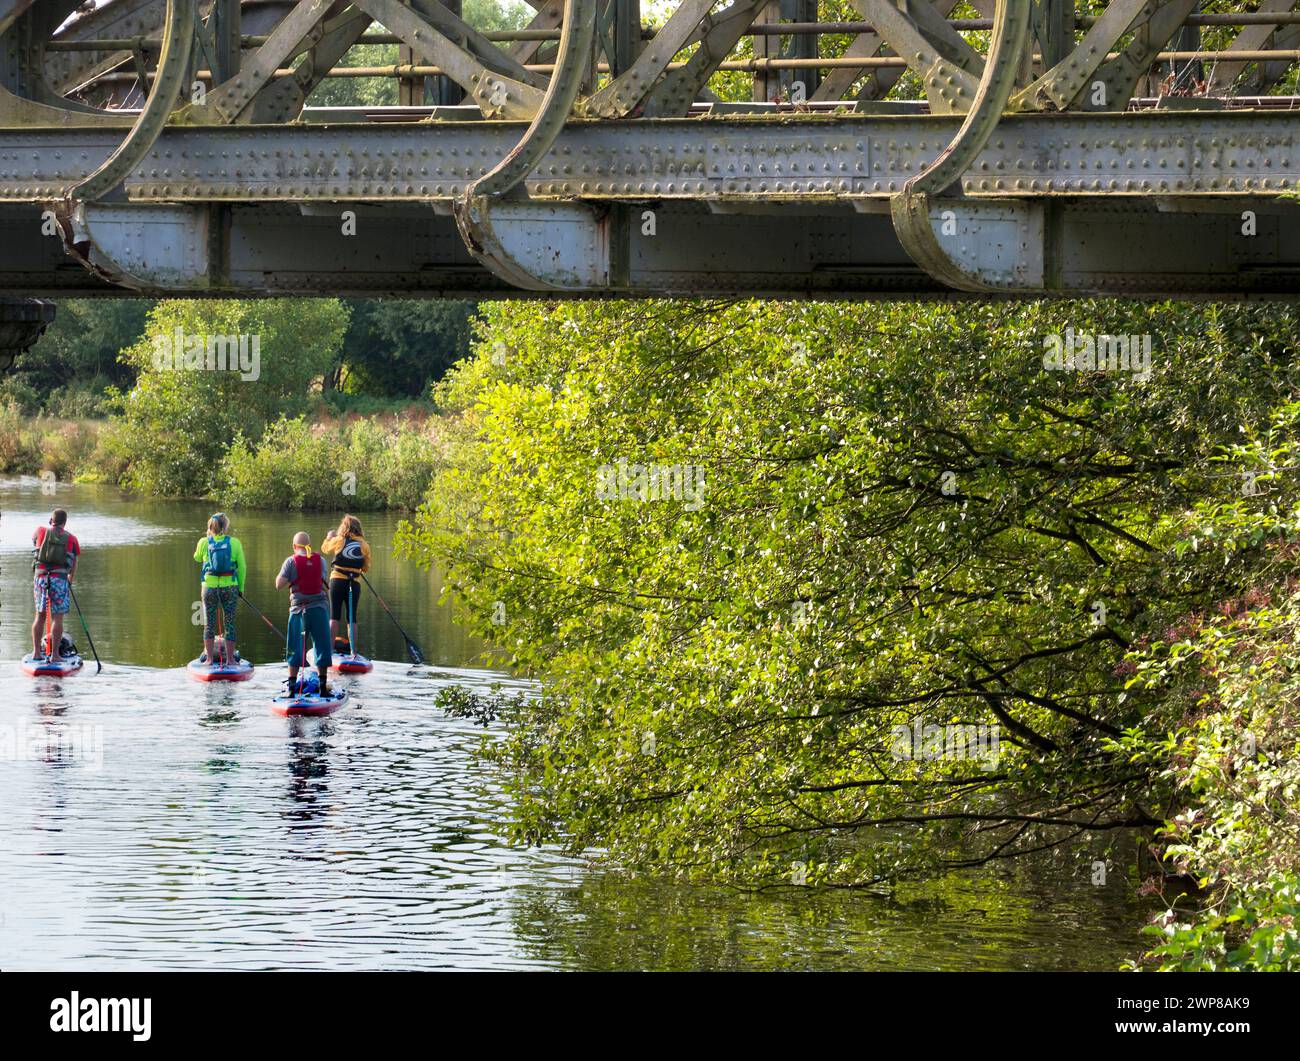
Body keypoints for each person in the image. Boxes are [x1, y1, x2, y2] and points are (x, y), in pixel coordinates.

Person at [275, 532, 332, 696]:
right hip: (319, 610)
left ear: (294, 547)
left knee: (294, 648)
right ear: (309, 546)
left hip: (298, 610)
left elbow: (279, 584)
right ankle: (322, 688)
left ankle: (291, 690)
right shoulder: (320, 561)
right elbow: (325, 583)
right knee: (321, 647)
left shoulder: (290, 561)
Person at [194, 513, 246, 666]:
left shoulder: (203, 542)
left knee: (209, 624)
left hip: (209, 588)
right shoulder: (235, 543)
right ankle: (230, 660)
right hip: (229, 587)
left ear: (210, 526)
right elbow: (242, 567)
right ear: (225, 526)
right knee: (229, 622)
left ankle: (209, 660)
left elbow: (197, 558)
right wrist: (240, 588)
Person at [31, 508, 79, 659]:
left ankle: (37, 653)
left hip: (41, 578)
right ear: (65, 522)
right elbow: (73, 563)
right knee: (57, 618)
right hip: (60, 579)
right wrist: (69, 581)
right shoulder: (71, 538)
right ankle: (55, 655)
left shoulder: (40, 531)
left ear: (51, 520)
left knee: (40, 616)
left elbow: (34, 542)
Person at [321, 515, 371, 655]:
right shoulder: (364, 545)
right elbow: (366, 568)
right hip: (353, 583)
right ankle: (353, 651)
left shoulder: (339, 540)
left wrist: (329, 537)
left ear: (343, 528)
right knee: (352, 618)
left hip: (337, 581)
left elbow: (325, 548)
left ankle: (329, 650)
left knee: (334, 616)